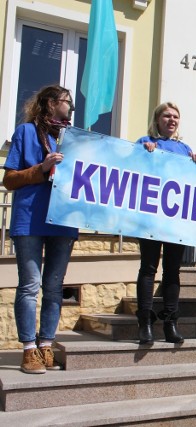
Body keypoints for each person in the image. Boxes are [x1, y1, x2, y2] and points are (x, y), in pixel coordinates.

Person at [3, 85, 78, 373]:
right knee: (30, 286)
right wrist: (42, 168)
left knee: (54, 287)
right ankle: (28, 350)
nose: (70, 107)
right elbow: (9, 180)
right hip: (30, 219)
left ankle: (46, 343)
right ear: (49, 103)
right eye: (65, 101)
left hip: (63, 221)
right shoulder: (25, 132)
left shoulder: (73, 139)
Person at [135, 102, 196, 345]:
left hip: (176, 220)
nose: (172, 120)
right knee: (148, 269)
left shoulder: (184, 148)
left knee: (172, 271)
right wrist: (143, 152)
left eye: (176, 116)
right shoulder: (144, 141)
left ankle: (171, 323)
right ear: (157, 119)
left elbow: (194, 179)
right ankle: (144, 323)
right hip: (151, 217)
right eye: (167, 116)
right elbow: (130, 168)